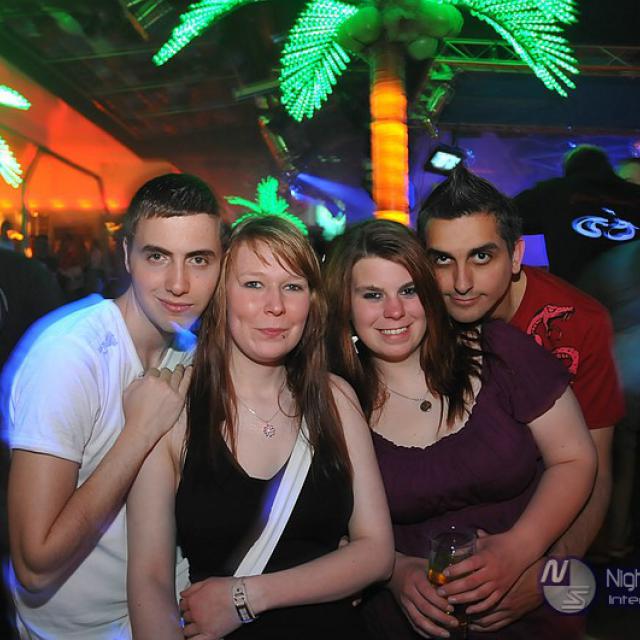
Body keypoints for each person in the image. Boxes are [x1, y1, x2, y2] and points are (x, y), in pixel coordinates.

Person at [323, 219, 596, 639]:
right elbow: (324, 529)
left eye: (408, 290)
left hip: (531, 610)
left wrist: (521, 550)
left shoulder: (499, 352)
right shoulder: (333, 401)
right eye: (372, 295)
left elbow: (575, 459)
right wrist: (394, 572)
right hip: (407, 625)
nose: (394, 311)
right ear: (345, 304)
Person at [127, 215, 394, 639]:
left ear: (312, 301)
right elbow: (150, 580)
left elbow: (377, 553)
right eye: (253, 284)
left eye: (293, 287)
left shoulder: (335, 399)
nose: (276, 306)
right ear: (221, 295)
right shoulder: (174, 408)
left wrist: (246, 597)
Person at [7, 173, 223, 639]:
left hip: (168, 609)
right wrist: (139, 433)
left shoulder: (192, 351)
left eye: (198, 259)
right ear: (126, 256)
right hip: (77, 631)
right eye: (157, 256)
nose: (179, 283)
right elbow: (34, 566)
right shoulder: (70, 357)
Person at [418, 165, 624, 634]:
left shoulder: (579, 323)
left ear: (515, 255)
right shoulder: (411, 320)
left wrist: (552, 571)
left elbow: (596, 468)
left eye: (481, 257)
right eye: (442, 260)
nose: (462, 282)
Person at [514, 145, 640, 284]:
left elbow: (506, 217)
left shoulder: (551, 191)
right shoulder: (634, 194)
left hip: (578, 289)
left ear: (569, 166)